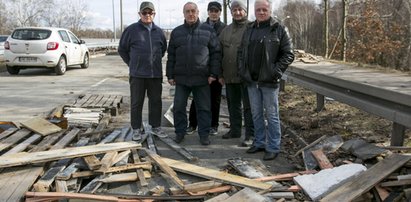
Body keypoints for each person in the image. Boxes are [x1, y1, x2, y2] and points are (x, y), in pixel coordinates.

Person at [238, 0, 294, 160]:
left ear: (269, 10)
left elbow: (289, 53)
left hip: (269, 81)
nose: (261, 12)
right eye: (258, 10)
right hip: (251, 81)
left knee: (272, 115)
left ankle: (273, 146)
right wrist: (243, 71)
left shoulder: (278, 29)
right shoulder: (249, 29)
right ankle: (259, 142)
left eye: (264, 9)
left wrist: (275, 72)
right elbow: (241, 52)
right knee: (256, 114)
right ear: (254, 11)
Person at [166, 2, 221, 145]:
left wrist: (213, 74)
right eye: (187, 11)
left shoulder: (208, 30)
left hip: (202, 78)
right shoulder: (177, 32)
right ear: (183, 14)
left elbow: (216, 54)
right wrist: (170, 75)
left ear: (197, 13)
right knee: (178, 107)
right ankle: (180, 132)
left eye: (193, 11)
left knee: (204, 108)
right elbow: (171, 55)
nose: (190, 14)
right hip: (182, 79)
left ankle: (204, 135)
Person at [118, 2, 167, 140]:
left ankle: (156, 127)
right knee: (136, 102)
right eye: (144, 13)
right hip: (137, 75)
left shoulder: (159, 32)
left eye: (150, 13)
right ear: (139, 14)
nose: (147, 15)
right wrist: (132, 64)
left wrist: (153, 61)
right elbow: (122, 49)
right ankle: (136, 129)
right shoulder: (131, 30)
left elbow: (163, 49)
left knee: (156, 102)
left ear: (154, 14)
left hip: (155, 74)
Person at [186, 1, 226, 136]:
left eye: (216, 11)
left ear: (220, 12)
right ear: (208, 12)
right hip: (202, 70)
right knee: (197, 99)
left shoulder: (224, 29)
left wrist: (220, 74)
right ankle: (192, 124)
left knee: (215, 98)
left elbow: (223, 52)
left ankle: (213, 125)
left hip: (217, 70)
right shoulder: (201, 27)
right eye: (211, 11)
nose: (214, 13)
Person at [219, 0, 254, 147]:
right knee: (233, 105)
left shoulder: (252, 28)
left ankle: (250, 135)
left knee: (248, 106)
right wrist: (220, 74)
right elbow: (219, 53)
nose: (237, 12)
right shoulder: (226, 30)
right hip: (229, 74)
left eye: (240, 9)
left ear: (245, 11)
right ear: (231, 12)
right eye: (234, 10)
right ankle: (235, 130)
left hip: (246, 76)